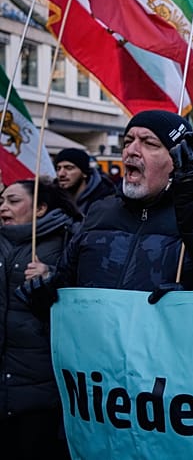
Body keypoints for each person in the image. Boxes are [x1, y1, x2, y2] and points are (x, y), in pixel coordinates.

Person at [16, 110, 193, 306]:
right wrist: (45, 295)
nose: (131, 150)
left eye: (149, 143)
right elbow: (67, 283)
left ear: (179, 157)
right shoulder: (101, 210)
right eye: (128, 141)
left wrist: (192, 302)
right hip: (98, 361)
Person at [0, 179, 82, 458]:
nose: (4, 207)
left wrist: (50, 276)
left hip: (40, 388)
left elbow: (79, 295)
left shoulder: (65, 239)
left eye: (13, 201)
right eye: (2, 201)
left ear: (40, 209)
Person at [54, 147, 116, 215]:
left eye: (69, 168)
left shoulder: (105, 200)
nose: (61, 174)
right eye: (58, 168)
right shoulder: (52, 198)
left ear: (84, 173)